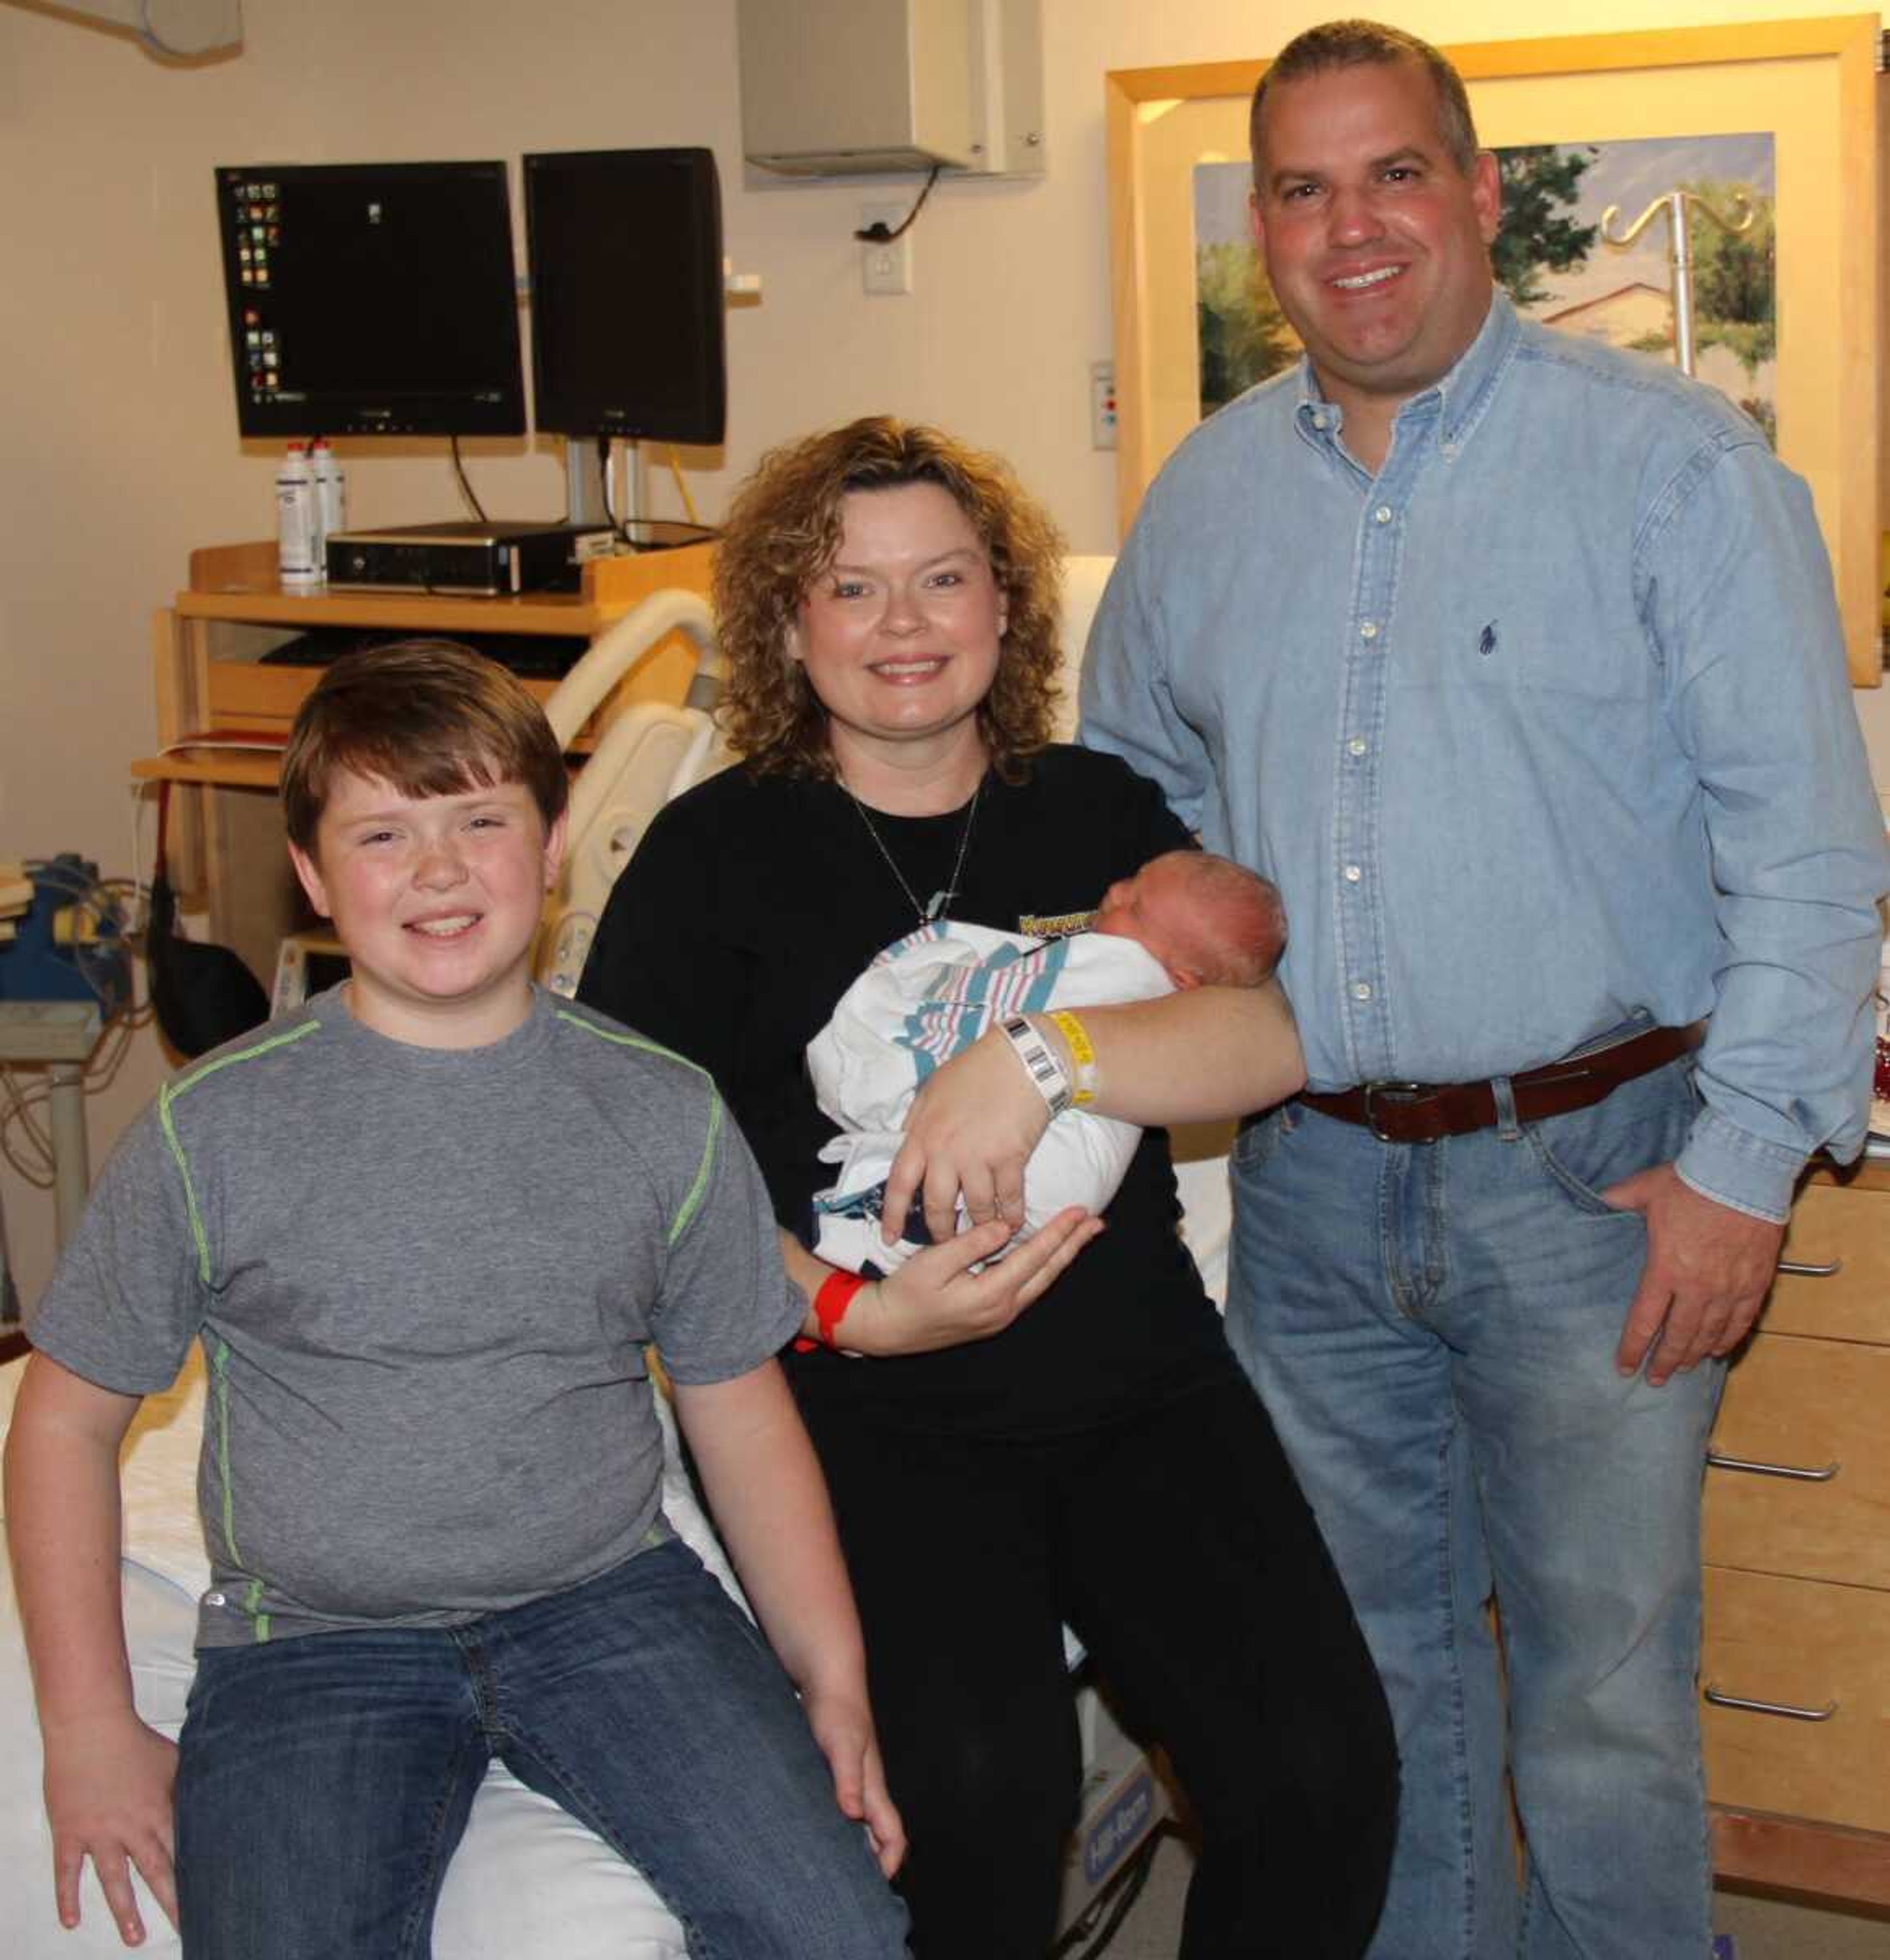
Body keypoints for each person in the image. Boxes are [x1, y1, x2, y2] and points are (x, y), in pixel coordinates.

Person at [1042, 20, 1890, 1959]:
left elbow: (1816, 848)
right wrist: (1152, 915)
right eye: (1307, 187)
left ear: (1483, 192)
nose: (1355, 230)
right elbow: (1137, 790)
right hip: (1316, 1184)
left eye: (1397, 173)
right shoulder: (1205, 499)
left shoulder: (1673, 470)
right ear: (1266, 222)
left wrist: (1745, 1165)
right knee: (1377, 1694)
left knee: (1599, 1709)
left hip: (1597, 1184)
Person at [577, 417, 1398, 1960]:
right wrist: (849, 1315)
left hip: (1136, 1386)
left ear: (1005, 608)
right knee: (974, 1813)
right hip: (862, 1410)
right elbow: (633, 1178)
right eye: (853, 588)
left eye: (941, 580)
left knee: (1321, 1781)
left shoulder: (1093, 812)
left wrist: (1038, 1058)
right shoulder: (711, 858)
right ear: (785, 620)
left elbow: (1266, 1036)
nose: (903, 627)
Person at [3, 641, 911, 1959]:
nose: (438, 870)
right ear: (313, 876)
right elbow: (64, 1420)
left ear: (550, 850)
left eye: (481, 820)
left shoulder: (660, 1109)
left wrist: (832, 1674)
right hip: (312, 1642)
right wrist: (87, 1726)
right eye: (384, 833)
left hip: (608, 1602)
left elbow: (739, 1402)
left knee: (837, 1928)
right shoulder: (220, 1128)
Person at [808, 851, 1285, 1275]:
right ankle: (903, 1215)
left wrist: (1036, 1053)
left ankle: (909, 1220)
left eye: (1135, 907)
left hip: (1067, 1164)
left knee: (1042, 1173)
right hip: (998, 1138)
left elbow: (1272, 1038)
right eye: (1132, 878)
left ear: (1181, 981)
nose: (1115, 893)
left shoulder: (1135, 978)